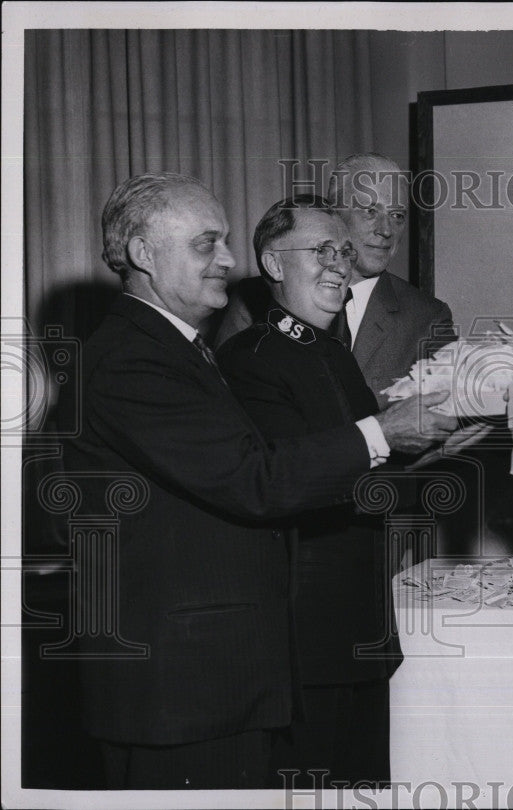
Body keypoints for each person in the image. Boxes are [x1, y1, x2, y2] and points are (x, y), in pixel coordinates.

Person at [63, 173, 456, 789]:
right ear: (143, 254)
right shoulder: (134, 358)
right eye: (206, 244)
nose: (227, 260)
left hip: (217, 676)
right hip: (182, 687)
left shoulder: (181, 350)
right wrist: (382, 432)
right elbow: (256, 479)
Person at [216, 195, 399, 786]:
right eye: (321, 250)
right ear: (273, 264)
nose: (339, 264)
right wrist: (396, 438)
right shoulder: (250, 358)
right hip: (303, 646)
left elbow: (373, 485)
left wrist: (450, 442)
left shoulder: (332, 355)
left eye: (344, 251)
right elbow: (292, 485)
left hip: (360, 632)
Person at [215, 153, 455, 407]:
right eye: (370, 211)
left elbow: (448, 424)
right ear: (334, 213)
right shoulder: (253, 299)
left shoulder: (426, 318)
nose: (386, 230)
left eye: (397, 216)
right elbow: (221, 406)